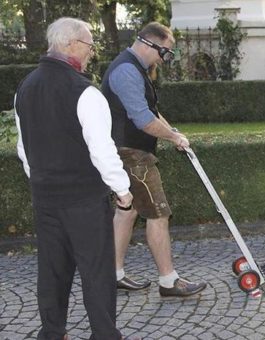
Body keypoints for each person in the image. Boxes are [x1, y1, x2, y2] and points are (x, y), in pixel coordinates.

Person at [14, 17, 133, 339]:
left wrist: (41, 180)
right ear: (71, 45)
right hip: (83, 200)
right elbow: (102, 150)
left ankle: (52, 333)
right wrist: (123, 190)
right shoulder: (85, 93)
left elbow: (23, 147)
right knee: (97, 270)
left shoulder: (24, 88)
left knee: (52, 271)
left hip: (45, 197)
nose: (92, 52)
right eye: (90, 45)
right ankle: (105, 334)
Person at [101, 22, 206, 297]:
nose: (165, 58)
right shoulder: (126, 71)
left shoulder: (135, 69)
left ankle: (113, 274)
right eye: (165, 52)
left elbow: (151, 111)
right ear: (149, 44)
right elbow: (144, 120)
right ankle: (169, 281)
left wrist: (174, 133)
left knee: (127, 211)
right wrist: (172, 138)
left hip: (126, 151)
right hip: (131, 154)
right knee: (158, 213)